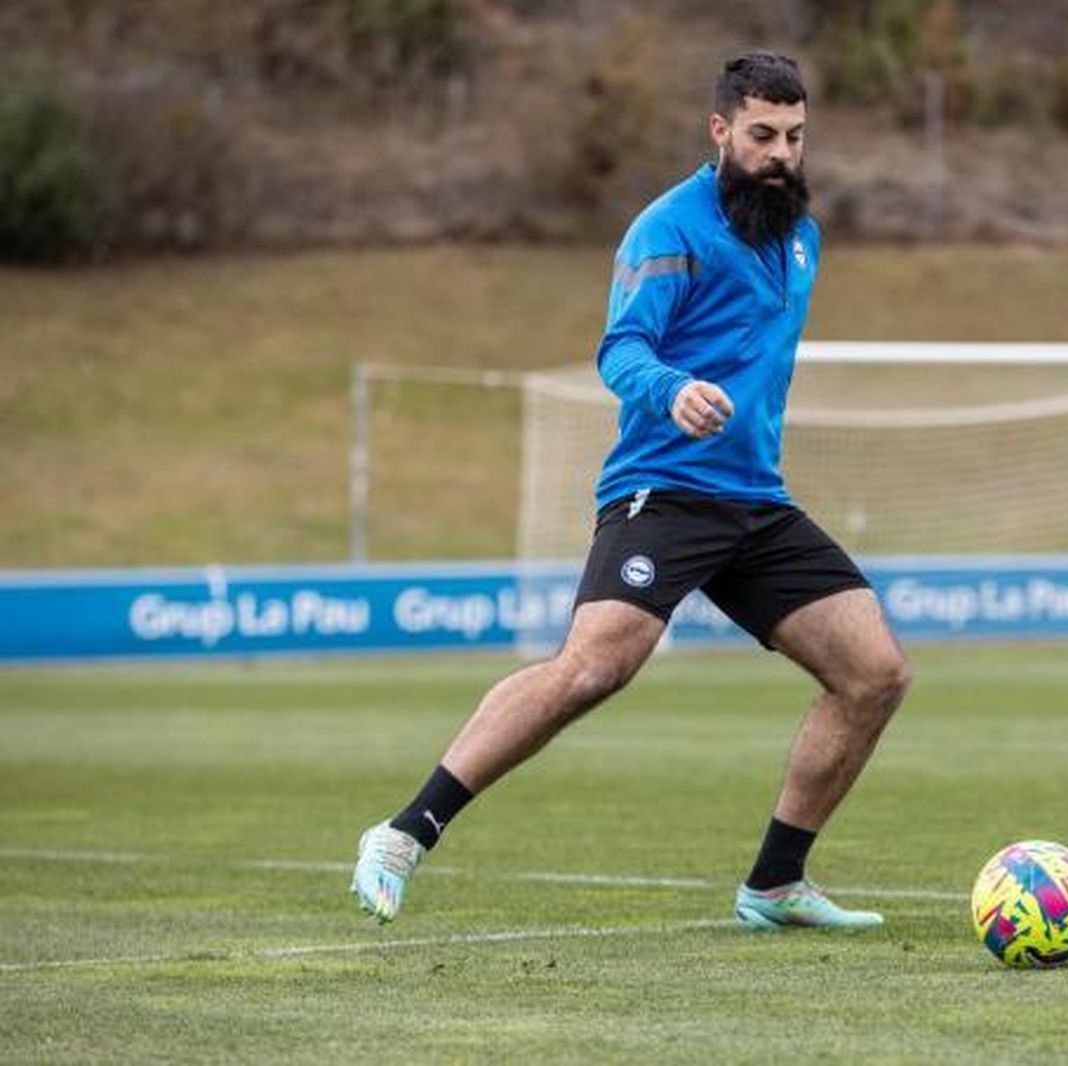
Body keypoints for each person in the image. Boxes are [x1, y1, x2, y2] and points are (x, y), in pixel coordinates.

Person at [351, 52, 912, 931]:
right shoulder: (667, 229)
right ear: (720, 130)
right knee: (594, 667)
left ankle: (773, 885)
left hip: (756, 502)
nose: (781, 154)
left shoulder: (803, 237)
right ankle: (402, 832)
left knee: (875, 674)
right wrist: (672, 391)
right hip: (664, 488)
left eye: (796, 138)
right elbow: (621, 350)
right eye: (762, 135)